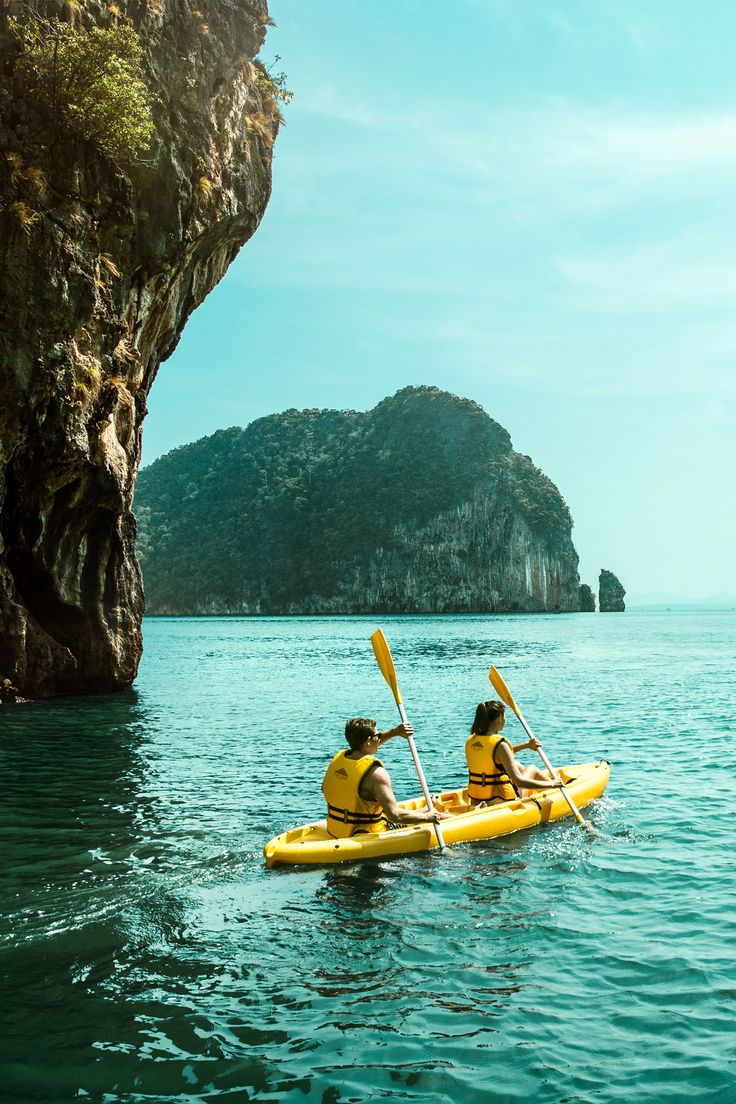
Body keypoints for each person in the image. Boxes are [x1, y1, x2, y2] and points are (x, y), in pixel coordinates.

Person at [322, 717, 449, 838]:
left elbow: (364, 749)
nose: (379, 739)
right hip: (365, 833)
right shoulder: (376, 774)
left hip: (337, 829)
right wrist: (428, 817)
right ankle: (432, 813)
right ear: (368, 741)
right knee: (439, 816)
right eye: (378, 736)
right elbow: (395, 816)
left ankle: (423, 810)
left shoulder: (340, 759)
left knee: (384, 811)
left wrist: (395, 732)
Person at [465, 699, 562, 804]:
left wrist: (526, 745)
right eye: (504, 717)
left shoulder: (472, 741)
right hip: (499, 801)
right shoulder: (500, 745)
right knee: (531, 768)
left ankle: (551, 787)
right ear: (499, 718)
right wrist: (552, 783)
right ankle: (557, 788)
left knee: (517, 765)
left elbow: (495, 756)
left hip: (476, 800)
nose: (505, 720)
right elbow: (519, 782)